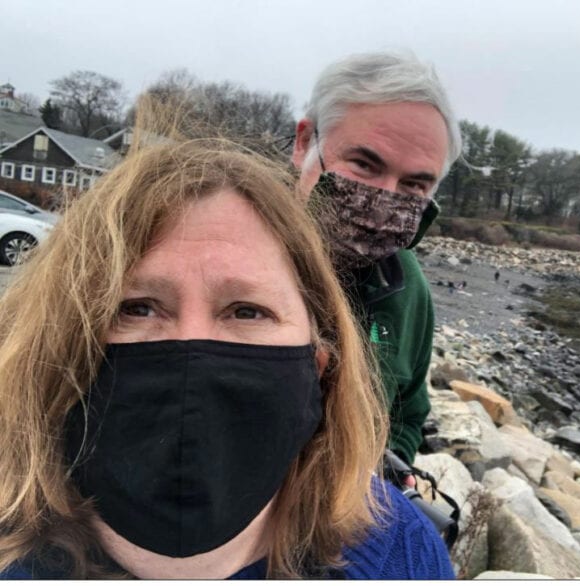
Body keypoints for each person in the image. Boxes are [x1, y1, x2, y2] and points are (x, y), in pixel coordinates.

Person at [0, 129, 454, 578]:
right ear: (52, 343)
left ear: (318, 365)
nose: (192, 345)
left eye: (247, 311)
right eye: (136, 308)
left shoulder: (401, 552)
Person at [291, 52, 462, 466]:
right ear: (304, 143)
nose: (384, 198)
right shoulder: (223, 253)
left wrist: (388, 470)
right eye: (365, 165)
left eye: (414, 185)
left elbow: (407, 414)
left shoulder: (407, 287)